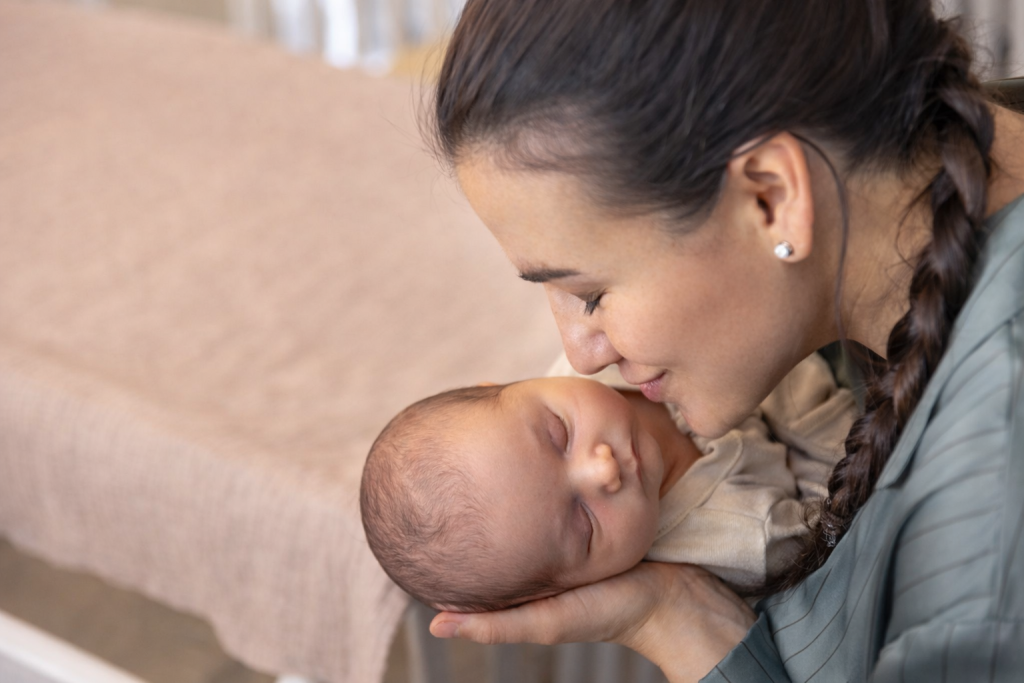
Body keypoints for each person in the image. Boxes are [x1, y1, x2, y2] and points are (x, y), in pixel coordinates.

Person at [421, 0, 1024, 681]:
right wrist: (667, 609)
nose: (583, 356)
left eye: (590, 293)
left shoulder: (991, 515)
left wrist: (674, 629)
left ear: (771, 197)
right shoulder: (928, 177)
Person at [360, 355, 856, 611]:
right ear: (577, 587)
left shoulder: (596, 354)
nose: (603, 470)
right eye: (584, 523)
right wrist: (795, 400)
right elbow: (845, 495)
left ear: (505, 387)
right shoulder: (745, 539)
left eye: (558, 435)